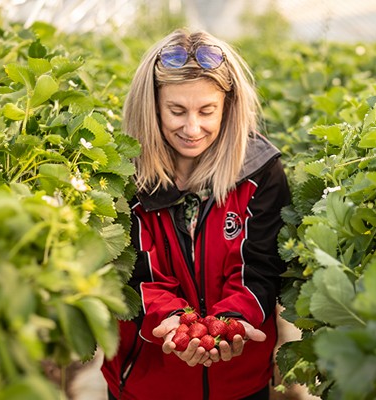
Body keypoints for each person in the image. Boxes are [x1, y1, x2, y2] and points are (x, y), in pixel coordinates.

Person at [101, 28, 291, 400]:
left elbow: (261, 266)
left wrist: (234, 321)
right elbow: (130, 271)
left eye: (207, 111)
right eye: (176, 111)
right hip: (146, 382)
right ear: (152, 107)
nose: (192, 128)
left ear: (228, 105)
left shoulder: (260, 172)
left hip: (240, 382)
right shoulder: (121, 173)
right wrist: (168, 321)